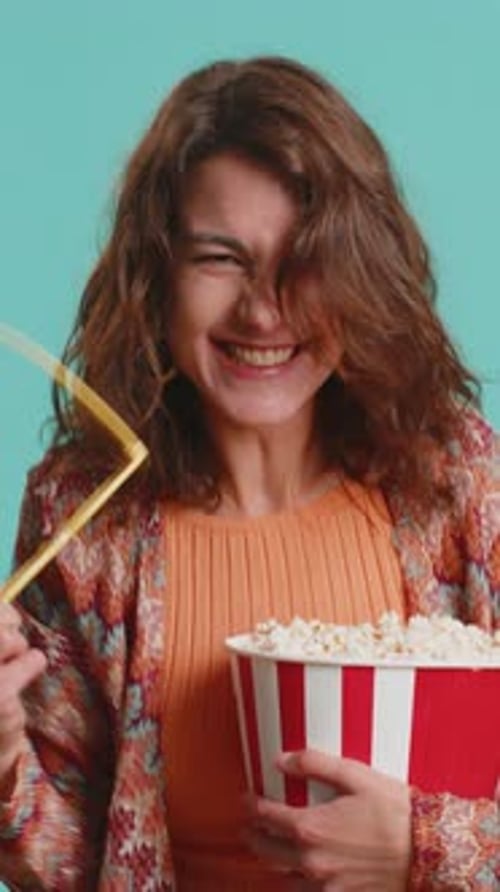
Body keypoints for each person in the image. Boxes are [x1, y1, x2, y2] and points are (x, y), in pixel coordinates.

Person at [0, 55, 498, 892]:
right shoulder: (87, 513)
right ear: (157, 276)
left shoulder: (460, 484)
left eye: (305, 260)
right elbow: (62, 861)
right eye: (220, 259)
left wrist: (422, 846)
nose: (264, 311)